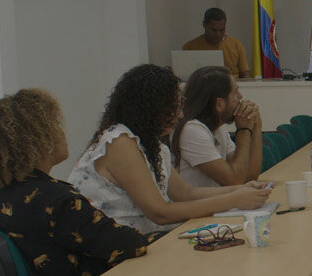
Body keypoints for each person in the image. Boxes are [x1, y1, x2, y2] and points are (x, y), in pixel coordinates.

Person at [0, 89, 150, 276]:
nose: (62, 132)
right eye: (55, 125)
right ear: (37, 138)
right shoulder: (57, 201)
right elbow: (129, 244)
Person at [69, 64, 272, 235]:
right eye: (176, 104)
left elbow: (186, 193)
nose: (181, 113)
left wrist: (241, 190)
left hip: (143, 240)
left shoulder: (153, 145)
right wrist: (233, 199)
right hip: (112, 251)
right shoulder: (120, 142)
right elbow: (160, 213)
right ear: (153, 108)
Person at [170, 66, 263, 187]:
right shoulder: (192, 131)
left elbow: (249, 176)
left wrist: (256, 126)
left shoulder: (218, 129)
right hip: (199, 205)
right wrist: (244, 130)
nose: (240, 97)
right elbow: (235, 181)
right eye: (235, 93)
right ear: (219, 104)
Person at [182, 7, 251, 79]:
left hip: (230, 86)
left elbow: (245, 74)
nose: (218, 34)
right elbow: (185, 77)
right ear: (204, 25)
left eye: (222, 30)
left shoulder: (236, 45)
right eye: (214, 30)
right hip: (202, 87)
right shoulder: (190, 47)